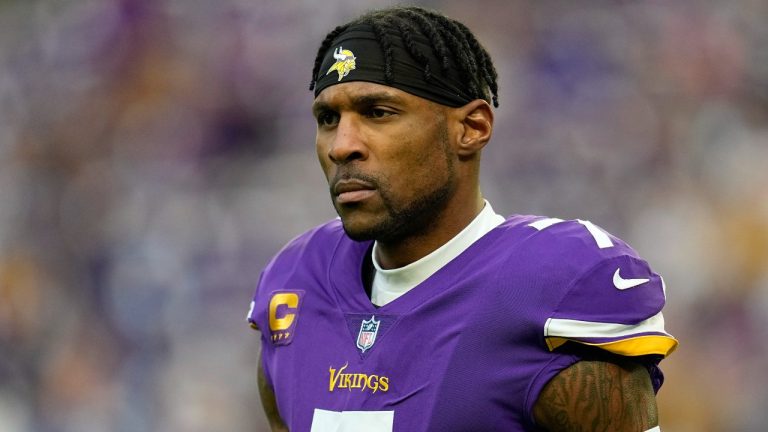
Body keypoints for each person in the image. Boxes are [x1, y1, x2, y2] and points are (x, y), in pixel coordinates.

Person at [246, 6, 677, 431]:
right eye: (328, 118)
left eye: (378, 112)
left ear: (471, 127)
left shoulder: (550, 286)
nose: (342, 146)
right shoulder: (297, 280)